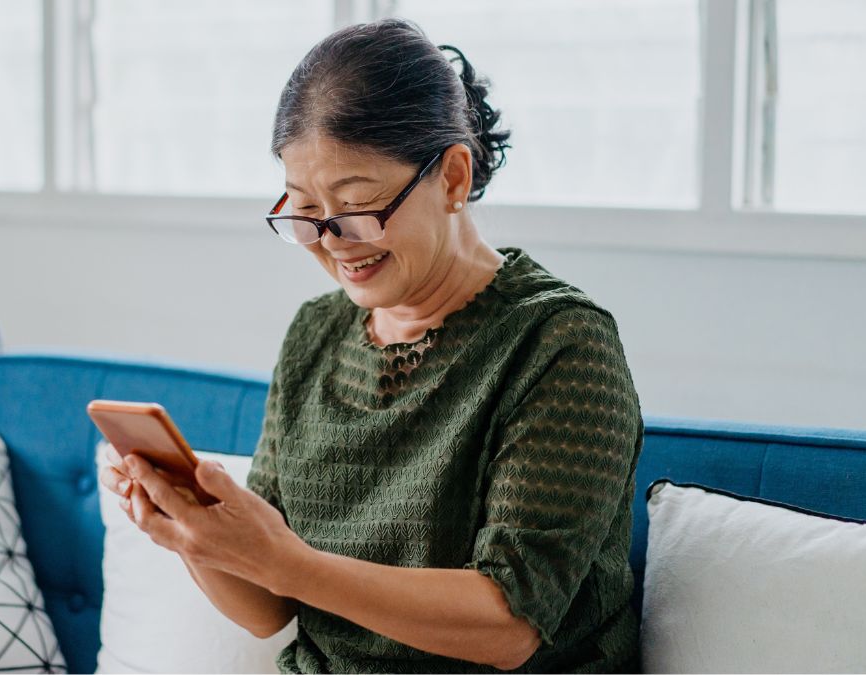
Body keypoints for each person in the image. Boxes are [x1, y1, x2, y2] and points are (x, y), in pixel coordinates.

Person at [99, 17, 644, 674]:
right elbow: (269, 607)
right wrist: (194, 535)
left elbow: (509, 625)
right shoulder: (314, 335)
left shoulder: (560, 343)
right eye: (305, 212)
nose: (333, 241)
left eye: (357, 206)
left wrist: (288, 562)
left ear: (453, 177)